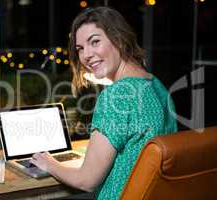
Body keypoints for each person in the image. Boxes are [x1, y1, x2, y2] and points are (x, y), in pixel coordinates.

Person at [30, 6, 178, 200]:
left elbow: (87, 180)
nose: (86, 55)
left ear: (119, 39)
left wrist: (49, 162)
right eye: (80, 49)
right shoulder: (156, 85)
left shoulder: (117, 95)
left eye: (95, 42)